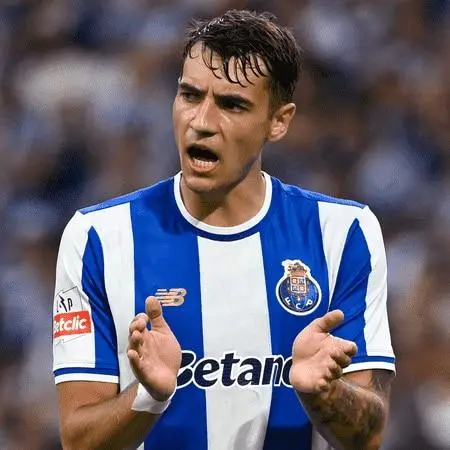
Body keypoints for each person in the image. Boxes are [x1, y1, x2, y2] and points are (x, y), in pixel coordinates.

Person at [53, 9, 395, 450]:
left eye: (232, 105)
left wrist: (325, 395)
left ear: (278, 121)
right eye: (190, 95)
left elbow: (369, 435)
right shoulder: (97, 237)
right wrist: (148, 396)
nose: (201, 122)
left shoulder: (344, 233)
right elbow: (78, 440)